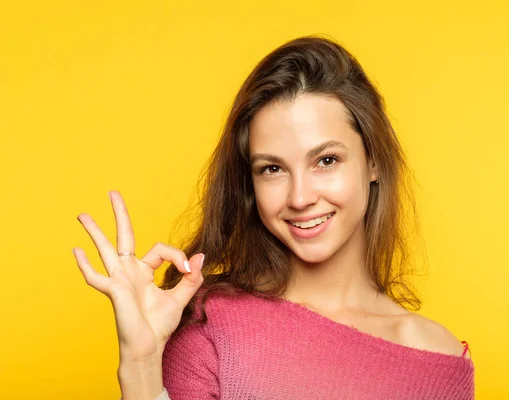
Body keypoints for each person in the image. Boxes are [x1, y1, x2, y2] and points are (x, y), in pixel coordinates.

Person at [73, 35, 474, 400]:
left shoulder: (436, 361)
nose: (300, 197)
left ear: (373, 161)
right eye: (272, 169)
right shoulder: (211, 323)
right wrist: (140, 366)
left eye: (326, 160)